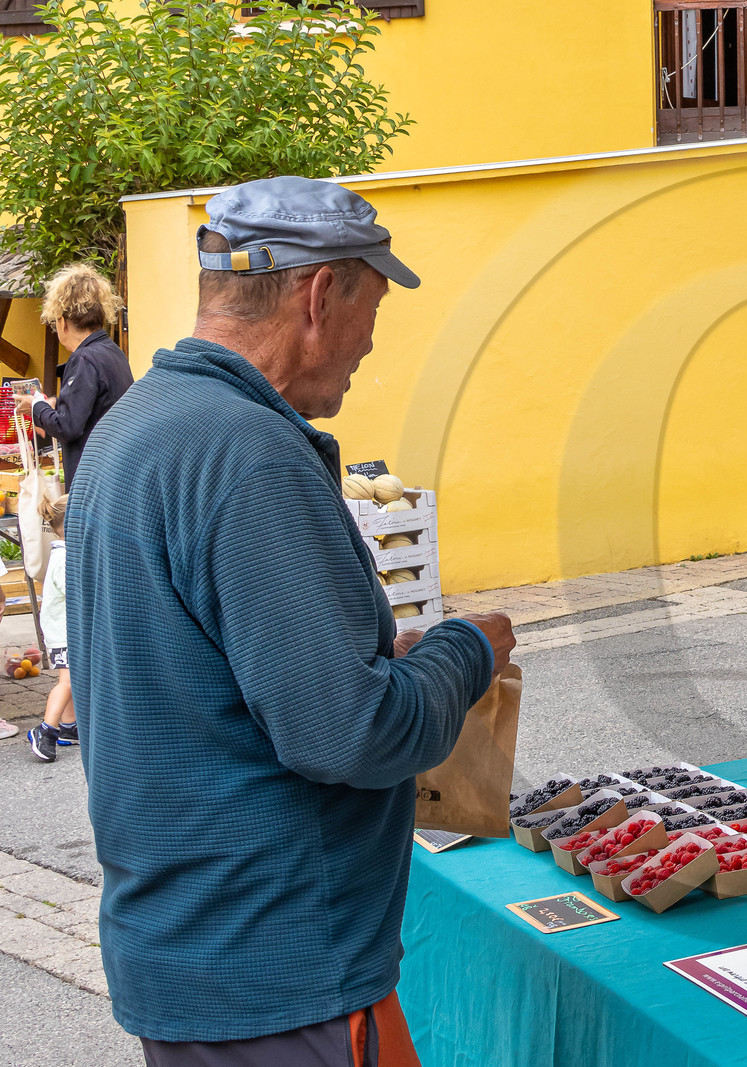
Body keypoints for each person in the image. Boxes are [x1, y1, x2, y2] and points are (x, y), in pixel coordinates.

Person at [69, 175, 516, 1065]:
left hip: (186, 955)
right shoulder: (250, 455)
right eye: (372, 311)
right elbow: (353, 735)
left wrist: (367, 658)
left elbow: (206, 669)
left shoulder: (133, 426)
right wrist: (468, 648)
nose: (370, 344)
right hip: (281, 973)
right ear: (318, 295)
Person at [14, 263, 134, 490]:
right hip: (115, 474)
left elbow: (67, 427)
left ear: (62, 321)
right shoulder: (112, 352)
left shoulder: (84, 359)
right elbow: (95, 408)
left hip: (92, 482)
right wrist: (55, 405)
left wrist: (36, 406)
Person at [27, 494, 74, 761]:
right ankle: (45, 730)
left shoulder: (62, 555)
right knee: (67, 682)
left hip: (64, 632)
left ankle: (68, 726)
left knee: (72, 681)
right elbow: (76, 593)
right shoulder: (65, 559)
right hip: (64, 634)